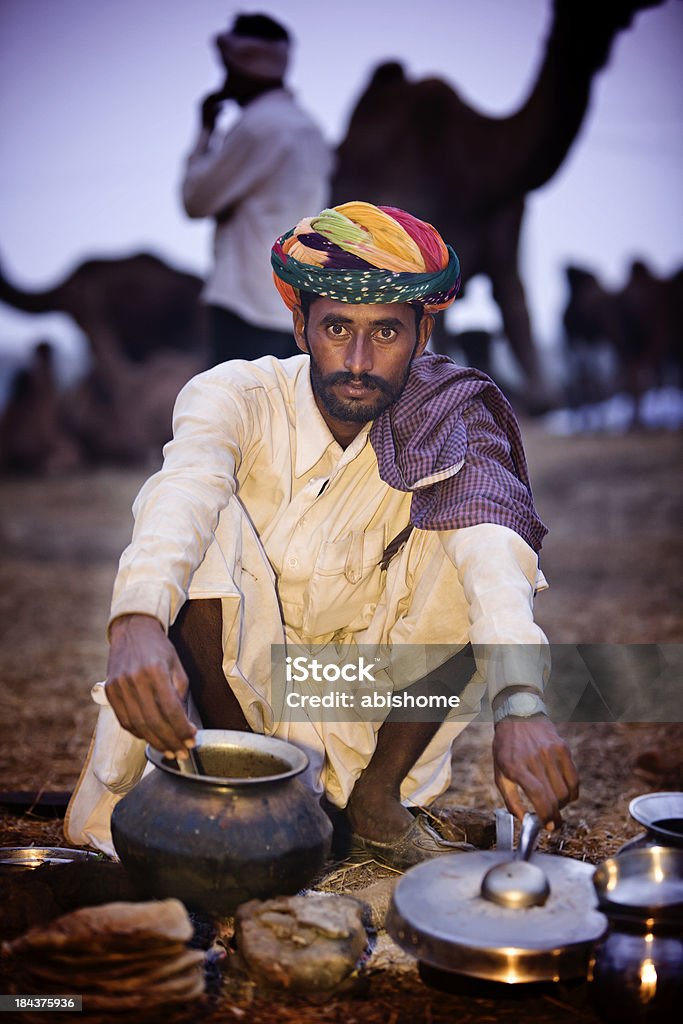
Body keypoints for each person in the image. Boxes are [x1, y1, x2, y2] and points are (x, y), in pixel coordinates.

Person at [66, 202, 578, 868]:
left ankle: (373, 803)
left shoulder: (448, 418)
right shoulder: (237, 395)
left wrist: (521, 704)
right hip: (229, 696)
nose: (359, 360)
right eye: (337, 326)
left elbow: (493, 562)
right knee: (204, 518)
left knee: (473, 533)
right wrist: (134, 620)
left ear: (422, 335)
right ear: (300, 326)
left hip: (357, 697)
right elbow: (182, 492)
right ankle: (246, 791)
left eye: (386, 332)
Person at [181, 12, 332, 365]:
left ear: (243, 66)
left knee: (238, 418)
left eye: (229, 68)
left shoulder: (255, 128)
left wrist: (205, 132)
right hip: (298, 307)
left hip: (245, 306)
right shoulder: (310, 130)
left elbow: (194, 200)